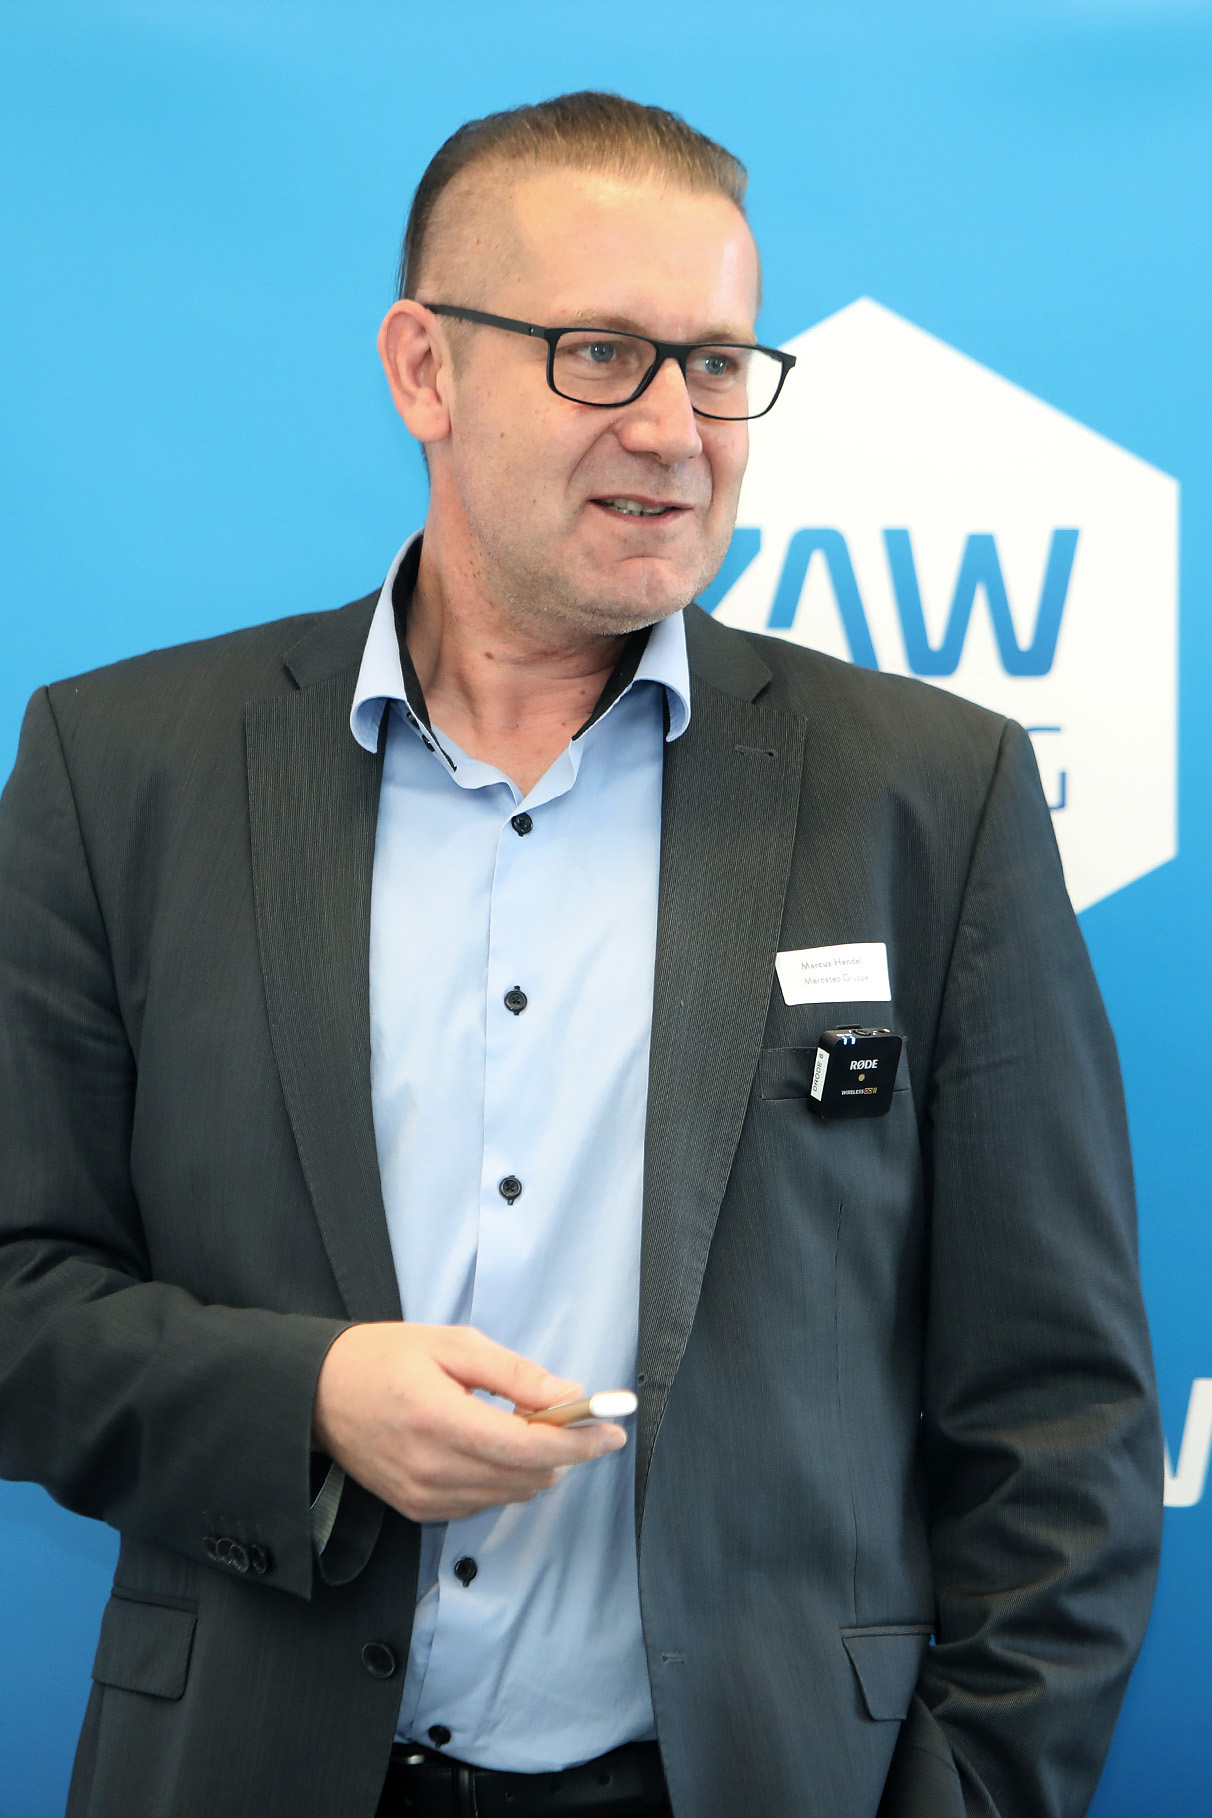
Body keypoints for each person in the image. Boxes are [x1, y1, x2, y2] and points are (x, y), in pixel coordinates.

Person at [0, 91, 1161, 1818]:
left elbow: (1059, 1414)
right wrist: (306, 1397)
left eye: (718, 363)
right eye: (602, 354)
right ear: (425, 369)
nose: (677, 429)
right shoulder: (121, 769)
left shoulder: (932, 795)